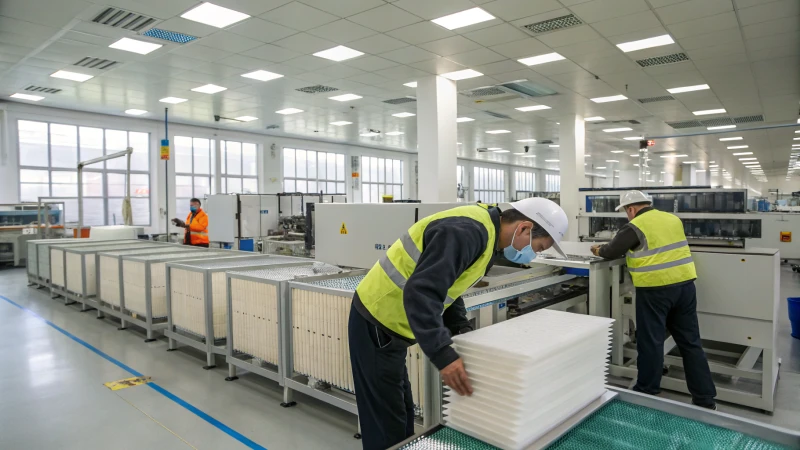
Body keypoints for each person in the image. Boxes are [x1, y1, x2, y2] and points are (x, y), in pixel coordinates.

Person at [349, 198, 568, 450]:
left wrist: (461, 328)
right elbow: (421, 293)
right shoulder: (467, 232)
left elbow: (449, 285)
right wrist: (443, 355)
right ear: (524, 228)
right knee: (386, 422)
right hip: (377, 318)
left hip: (393, 324)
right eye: (537, 247)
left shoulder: (486, 231)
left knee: (400, 412)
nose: (534, 254)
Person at [590, 190, 717, 409]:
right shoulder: (672, 219)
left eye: (626, 212)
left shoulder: (635, 226)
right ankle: (705, 399)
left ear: (631, 209)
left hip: (655, 291)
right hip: (685, 287)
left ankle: (646, 391)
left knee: (651, 342)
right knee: (691, 343)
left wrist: (597, 249)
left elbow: (611, 251)